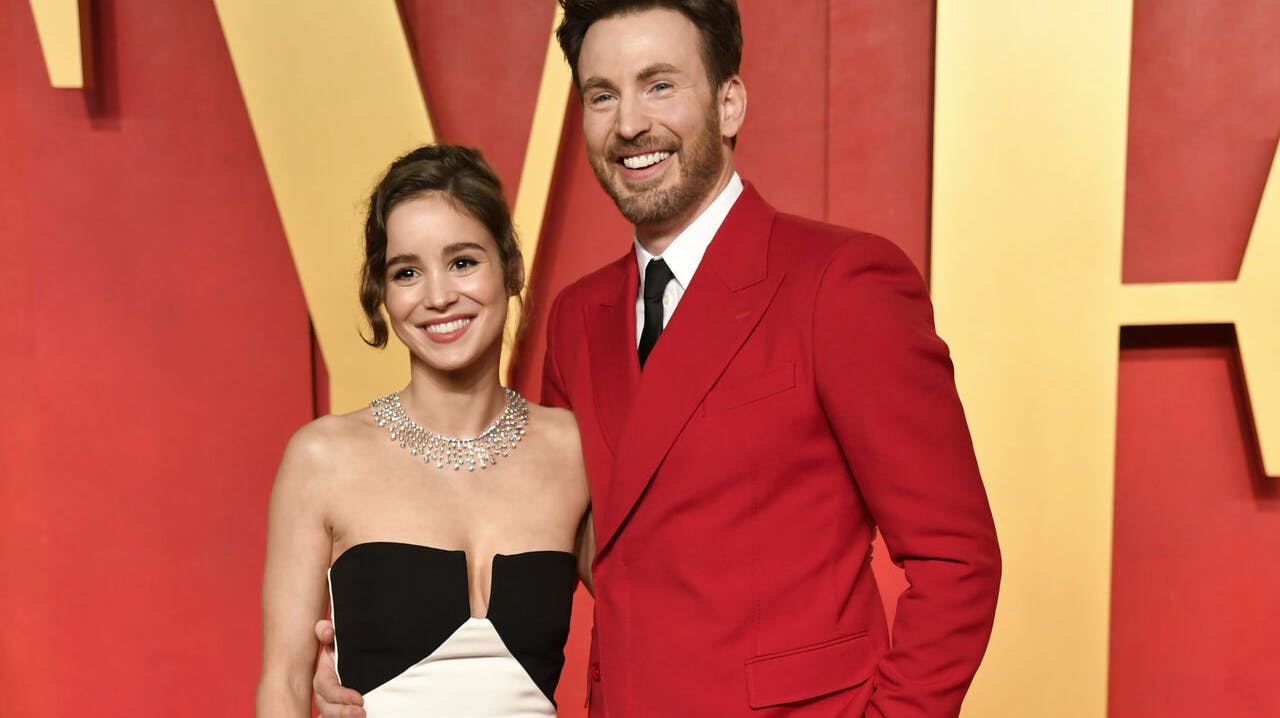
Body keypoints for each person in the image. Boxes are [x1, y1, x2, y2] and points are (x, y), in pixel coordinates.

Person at [317, 1, 1000, 716]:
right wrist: (390, 670)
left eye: (660, 84)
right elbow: (541, 550)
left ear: (730, 102)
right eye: (602, 95)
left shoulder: (842, 282)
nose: (631, 123)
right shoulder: (579, 319)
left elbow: (958, 560)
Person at [255, 144, 591, 718]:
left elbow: (659, 620)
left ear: (510, 268)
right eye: (406, 272)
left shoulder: (574, 450)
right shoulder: (323, 459)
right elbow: (284, 686)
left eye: (463, 261)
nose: (438, 297)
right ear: (382, 295)